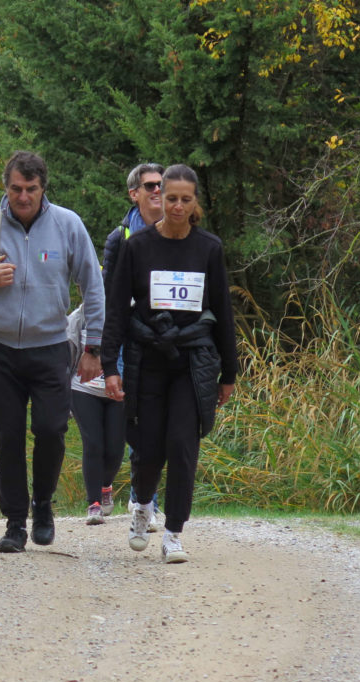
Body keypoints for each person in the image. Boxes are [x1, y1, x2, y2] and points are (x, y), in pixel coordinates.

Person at [0, 150, 105, 553]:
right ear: (5, 187)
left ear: (42, 188)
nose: (23, 197)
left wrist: (94, 346)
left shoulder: (67, 225)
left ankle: (43, 506)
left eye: (31, 189)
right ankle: (15, 523)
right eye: (16, 189)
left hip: (52, 346)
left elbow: (93, 286)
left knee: (51, 430)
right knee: (8, 435)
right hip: (0, 347)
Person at [102, 164, 238, 563]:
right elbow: (117, 310)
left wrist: (229, 372)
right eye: (171, 198)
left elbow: (223, 312)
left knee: (182, 445)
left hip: (192, 360)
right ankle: (142, 505)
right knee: (148, 448)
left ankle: (174, 531)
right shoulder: (137, 246)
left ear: (195, 203)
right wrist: (110, 365)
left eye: (185, 199)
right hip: (147, 358)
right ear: (159, 198)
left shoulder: (208, 248)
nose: (177, 206)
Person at [102, 163, 165, 528]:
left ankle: (146, 496)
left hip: (170, 342)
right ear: (134, 193)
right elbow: (109, 298)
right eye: (150, 185)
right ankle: (145, 500)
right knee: (140, 418)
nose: (158, 190)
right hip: (131, 342)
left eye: (161, 184)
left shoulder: (180, 233)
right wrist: (105, 352)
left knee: (167, 420)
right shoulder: (119, 239)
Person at [66, 306, 124, 525]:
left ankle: (106, 485)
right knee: (93, 444)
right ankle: (94, 503)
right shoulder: (78, 318)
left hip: (119, 391)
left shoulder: (128, 312)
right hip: (83, 389)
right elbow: (66, 355)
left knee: (115, 449)